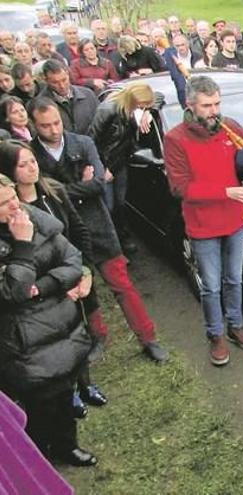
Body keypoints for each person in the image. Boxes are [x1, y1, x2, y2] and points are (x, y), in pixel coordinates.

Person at [28, 96, 170, 360]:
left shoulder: (82, 142)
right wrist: (80, 186)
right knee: (84, 290)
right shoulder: (31, 155)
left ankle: (148, 338)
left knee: (122, 285)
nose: (54, 130)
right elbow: (38, 195)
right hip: (62, 234)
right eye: (46, 126)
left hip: (97, 225)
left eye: (57, 122)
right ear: (34, 125)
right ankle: (97, 336)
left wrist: (59, 188)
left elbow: (98, 184)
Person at [0, 141, 109, 417]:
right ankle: (69, 399)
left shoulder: (52, 194)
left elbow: (74, 241)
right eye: (22, 164)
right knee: (48, 376)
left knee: (74, 342)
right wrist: (27, 251)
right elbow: (17, 289)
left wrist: (79, 273)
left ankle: (84, 386)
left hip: (65, 291)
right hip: (34, 321)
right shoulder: (17, 226)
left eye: (33, 161)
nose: (31, 168)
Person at [163, 76, 243, 367]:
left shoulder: (229, 126)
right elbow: (180, 188)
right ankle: (215, 334)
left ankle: (235, 324)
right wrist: (225, 191)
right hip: (203, 225)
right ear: (190, 105)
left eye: (217, 103)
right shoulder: (175, 139)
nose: (214, 111)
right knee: (211, 285)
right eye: (207, 105)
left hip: (235, 219)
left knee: (234, 278)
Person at [0, 173, 96, 467]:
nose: (14, 206)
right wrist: (24, 246)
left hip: (60, 326)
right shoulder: (22, 234)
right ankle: (39, 462)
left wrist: (43, 286)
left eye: (13, 197)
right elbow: (13, 291)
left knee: (66, 394)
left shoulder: (36, 219)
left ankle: (68, 447)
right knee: (40, 407)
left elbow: (72, 260)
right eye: (3, 204)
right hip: (24, 340)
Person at [87, 82, 161, 253]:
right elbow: (91, 141)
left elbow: (159, 97)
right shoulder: (108, 110)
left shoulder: (134, 110)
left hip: (119, 161)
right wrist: (102, 168)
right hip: (103, 163)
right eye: (143, 105)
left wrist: (147, 112)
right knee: (108, 206)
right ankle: (111, 247)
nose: (144, 108)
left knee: (120, 204)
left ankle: (122, 239)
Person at [39, 60, 99, 136]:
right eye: (55, 82)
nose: (62, 86)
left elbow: (100, 122)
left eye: (64, 80)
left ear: (68, 74)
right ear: (46, 80)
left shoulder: (88, 94)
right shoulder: (41, 104)